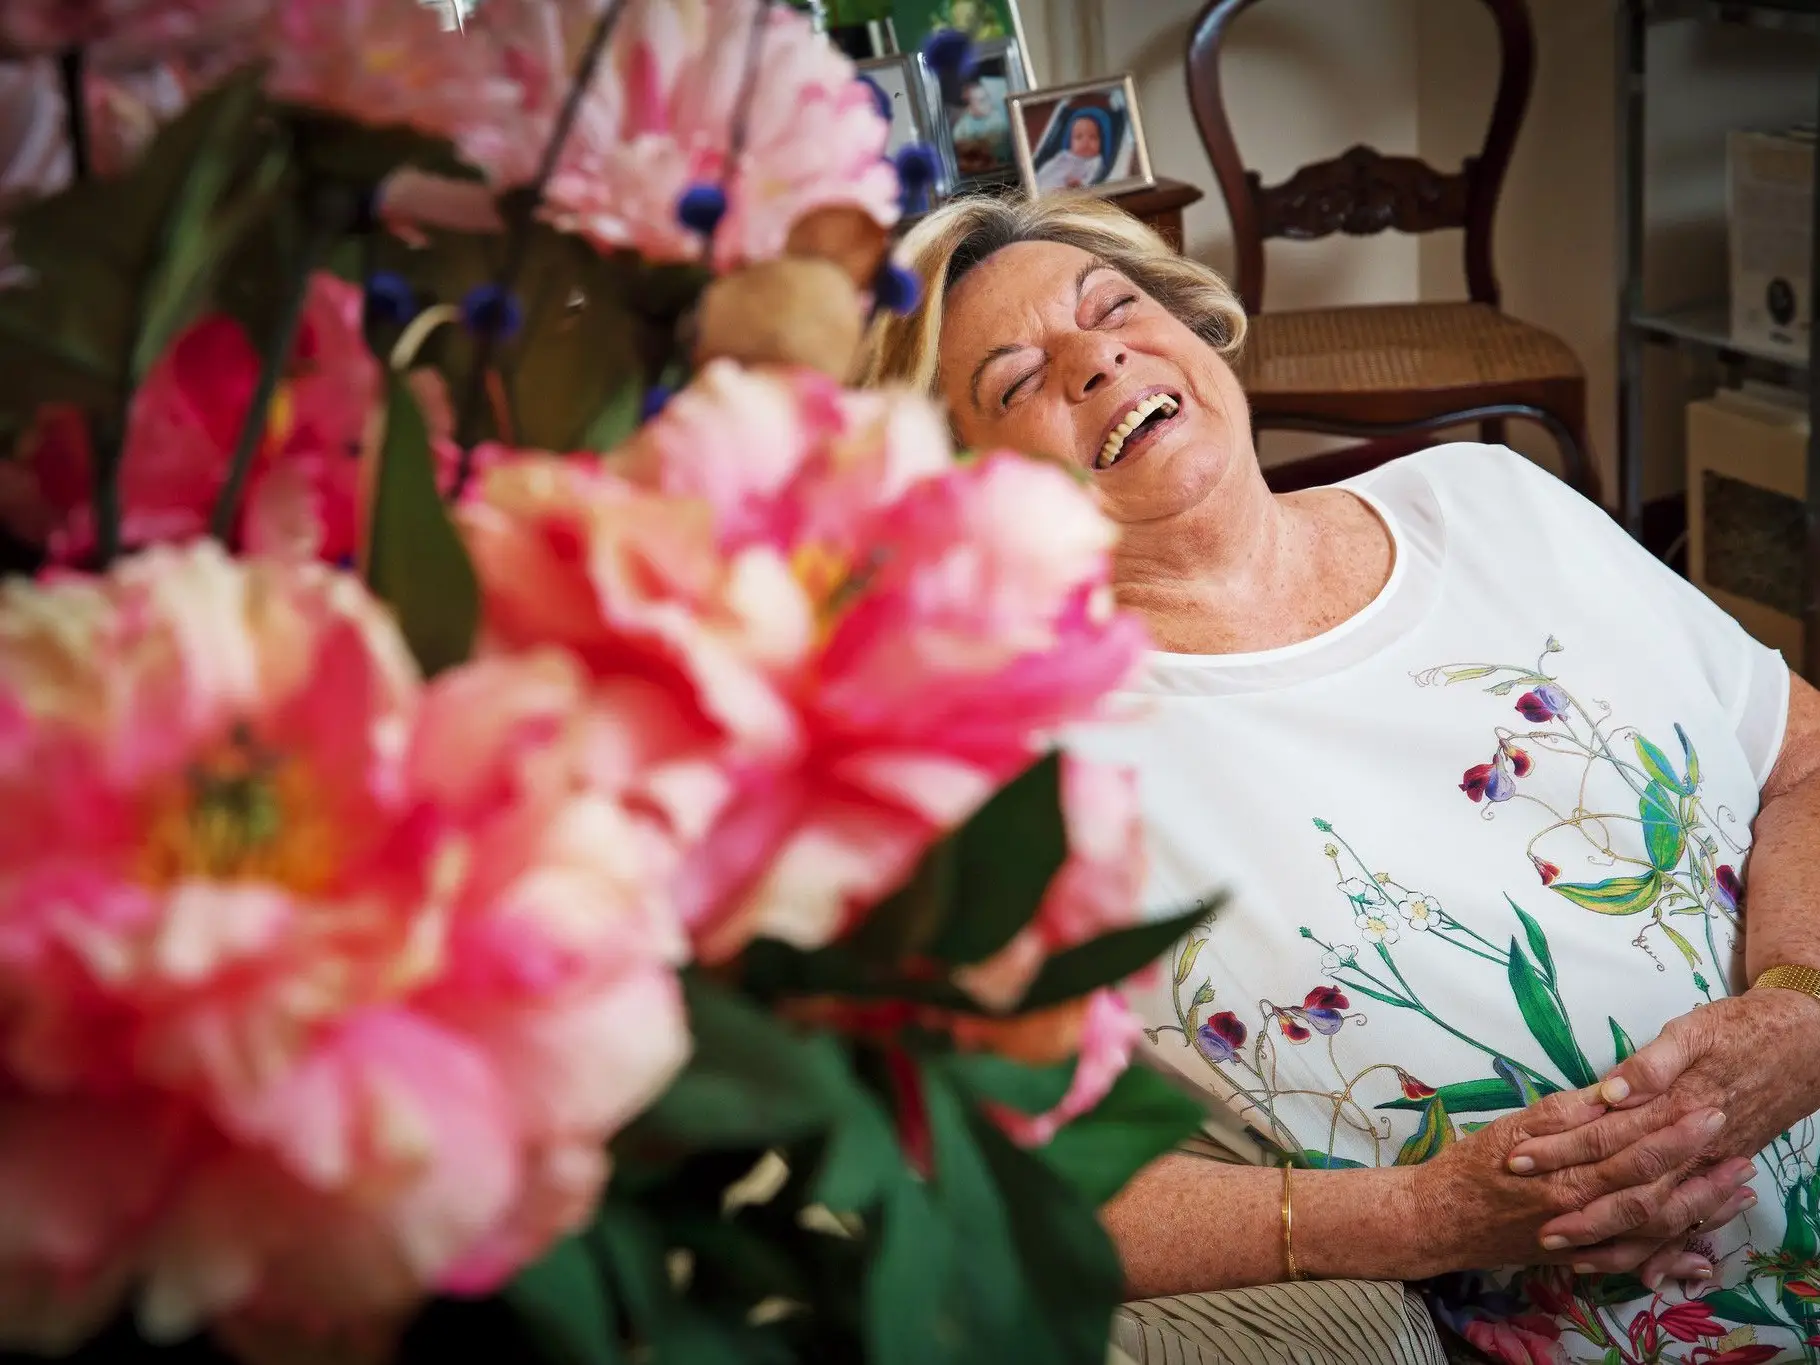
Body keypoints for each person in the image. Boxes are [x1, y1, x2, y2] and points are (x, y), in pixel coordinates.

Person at [856, 192, 1820, 1363]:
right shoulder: (999, 765)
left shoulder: (1484, 499)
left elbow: (1800, 755)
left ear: (1193, 329)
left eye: (1113, 308)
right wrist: (1424, 1217)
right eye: (1014, 381)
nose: (1094, 355)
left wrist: (1795, 1008)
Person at [1033, 107, 1111, 192]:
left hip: (1065, 192)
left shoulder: (1095, 161)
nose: (1085, 142)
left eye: (1092, 137)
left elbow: (1092, 179)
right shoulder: (1064, 155)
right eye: (1079, 137)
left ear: (1101, 142)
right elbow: (1048, 168)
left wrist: (1080, 184)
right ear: (1070, 142)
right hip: (1044, 186)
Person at [949, 77, 1010, 174]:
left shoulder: (998, 115)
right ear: (970, 106)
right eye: (982, 100)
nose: (989, 103)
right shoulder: (961, 130)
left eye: (988, 97)